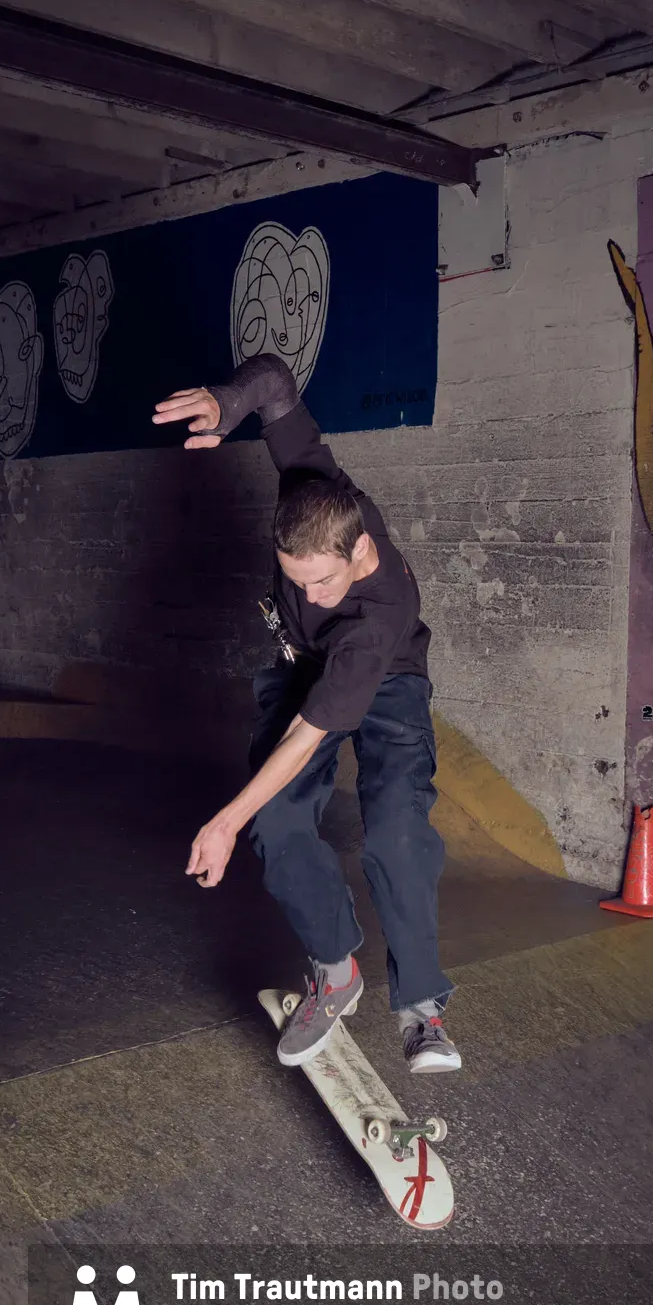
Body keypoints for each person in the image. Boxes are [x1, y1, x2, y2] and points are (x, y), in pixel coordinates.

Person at [153, 355, 461, 1075]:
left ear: (360, 550)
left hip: (389, 681)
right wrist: (228, 402)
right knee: (278, 820)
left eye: (323, 582)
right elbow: (275, 382)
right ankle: (335, 968)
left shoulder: (378, 615)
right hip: (305, 675)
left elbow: (308, 735)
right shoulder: (312, 488)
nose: (313, 597)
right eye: (298, 581)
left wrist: (222, 821)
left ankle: (422, 1010)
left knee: (397, 832)